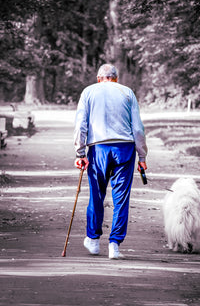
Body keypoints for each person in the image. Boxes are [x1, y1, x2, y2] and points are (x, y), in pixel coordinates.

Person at [74, 64, 148, 259]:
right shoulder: (127, 93)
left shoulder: (89, 92)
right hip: (125, 148)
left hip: (98, 148)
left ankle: (93, 240)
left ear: (99, 78)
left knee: (96, 195)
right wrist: (142, 157)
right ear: (116, 78)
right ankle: (114, 245)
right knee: (121, 198)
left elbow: (80, 124)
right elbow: (138, 128)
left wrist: (80, 153)